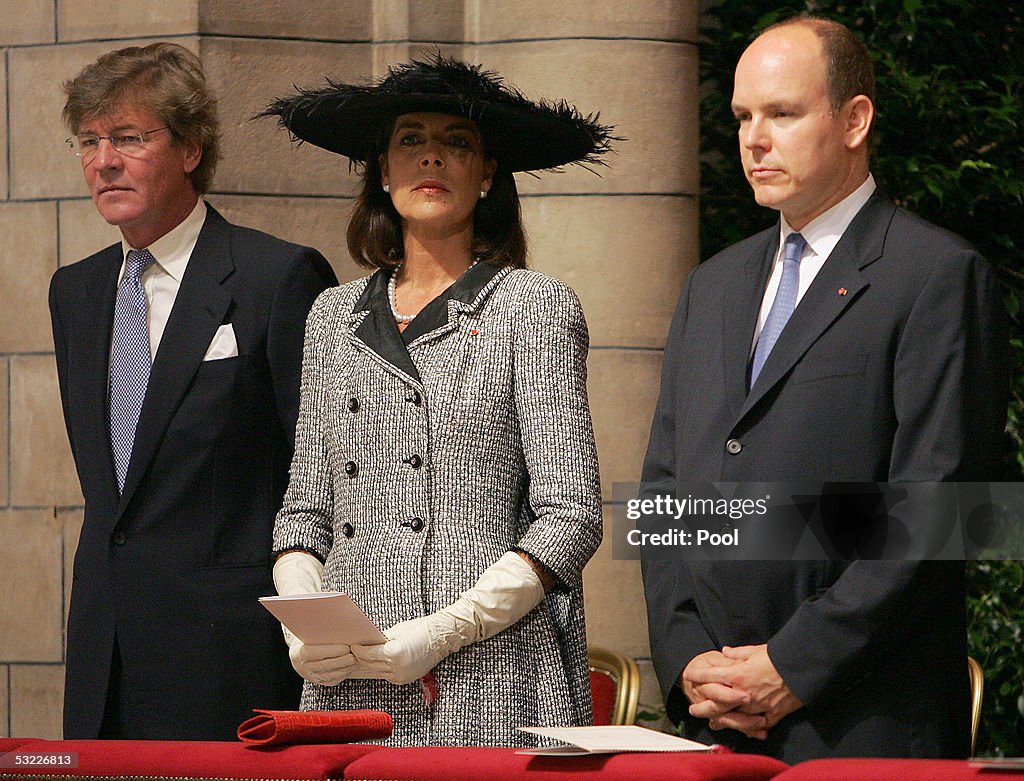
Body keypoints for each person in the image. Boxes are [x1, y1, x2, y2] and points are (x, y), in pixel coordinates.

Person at [640, 16, 1008, 763]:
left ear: (854, 120)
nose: (753, 138)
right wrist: (687, 661)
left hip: (866, 722)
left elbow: (938, 511)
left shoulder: (935, 275)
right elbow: (667, 496)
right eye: (742, 116)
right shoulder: (709, 288)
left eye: (781, 112)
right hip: (716, 722)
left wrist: (792, 665)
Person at [262, 54, 608, 746]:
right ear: (382, 171)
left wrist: (445, 629)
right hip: (347, 678)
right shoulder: (331, 316)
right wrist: (302, 614)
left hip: (487, 674)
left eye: (457, 143)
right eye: (410, 140)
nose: (432, 158)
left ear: (486, 175)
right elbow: (304, 507)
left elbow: (570, 514)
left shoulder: (531, 306)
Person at [51, 42, 338, 740]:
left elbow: (325, 473)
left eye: (128, 137)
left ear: (190, 148)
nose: (103, 160)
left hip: (229, 657)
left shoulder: (279, 277)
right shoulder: (76, 291)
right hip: (103, 652)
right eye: (89, 140)